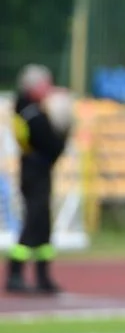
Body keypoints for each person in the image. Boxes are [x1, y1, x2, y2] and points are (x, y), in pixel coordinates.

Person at [4, 64, 70, 294]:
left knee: (42, 225)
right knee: (34, 223)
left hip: (34, 172)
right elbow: (52, 147)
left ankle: (43, 276)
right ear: (34, 87)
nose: (49, 89)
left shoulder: (27, 110)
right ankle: (15, 273)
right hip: (35, 173)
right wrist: (64, 131)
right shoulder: (33, 115)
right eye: (46, 84)